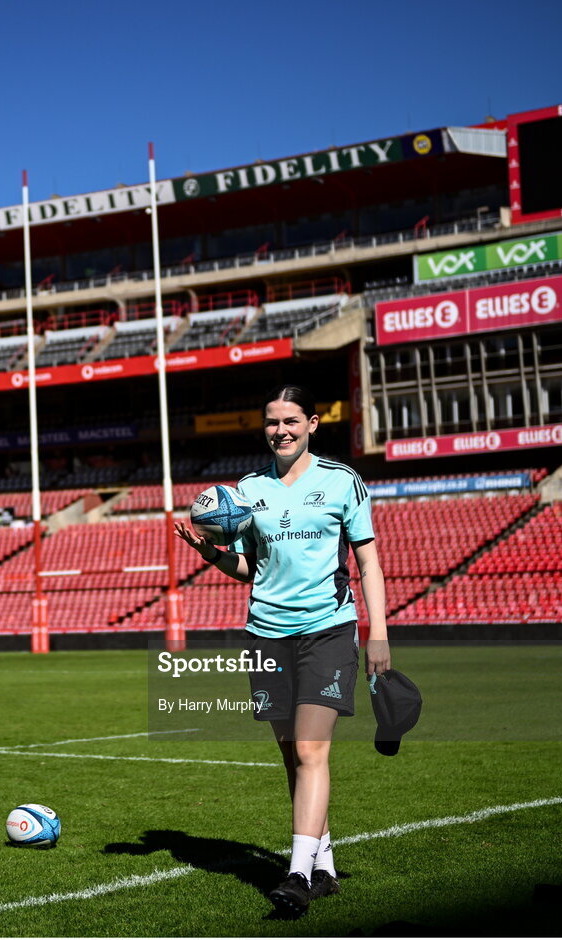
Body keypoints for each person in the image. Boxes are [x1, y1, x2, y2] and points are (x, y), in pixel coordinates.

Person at [175, 383, 390, 916]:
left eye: (292, 421)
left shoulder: (344, 482)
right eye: (273, 422)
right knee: (291, 754)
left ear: (313, 424)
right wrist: (210, 554)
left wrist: (378, 633)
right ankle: (325, 864)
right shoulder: (247, 490)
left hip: (328, 630)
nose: (282, 430)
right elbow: (248, 569)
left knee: (312, 750)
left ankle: (296, 876)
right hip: (266, 632)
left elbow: (368, 562)